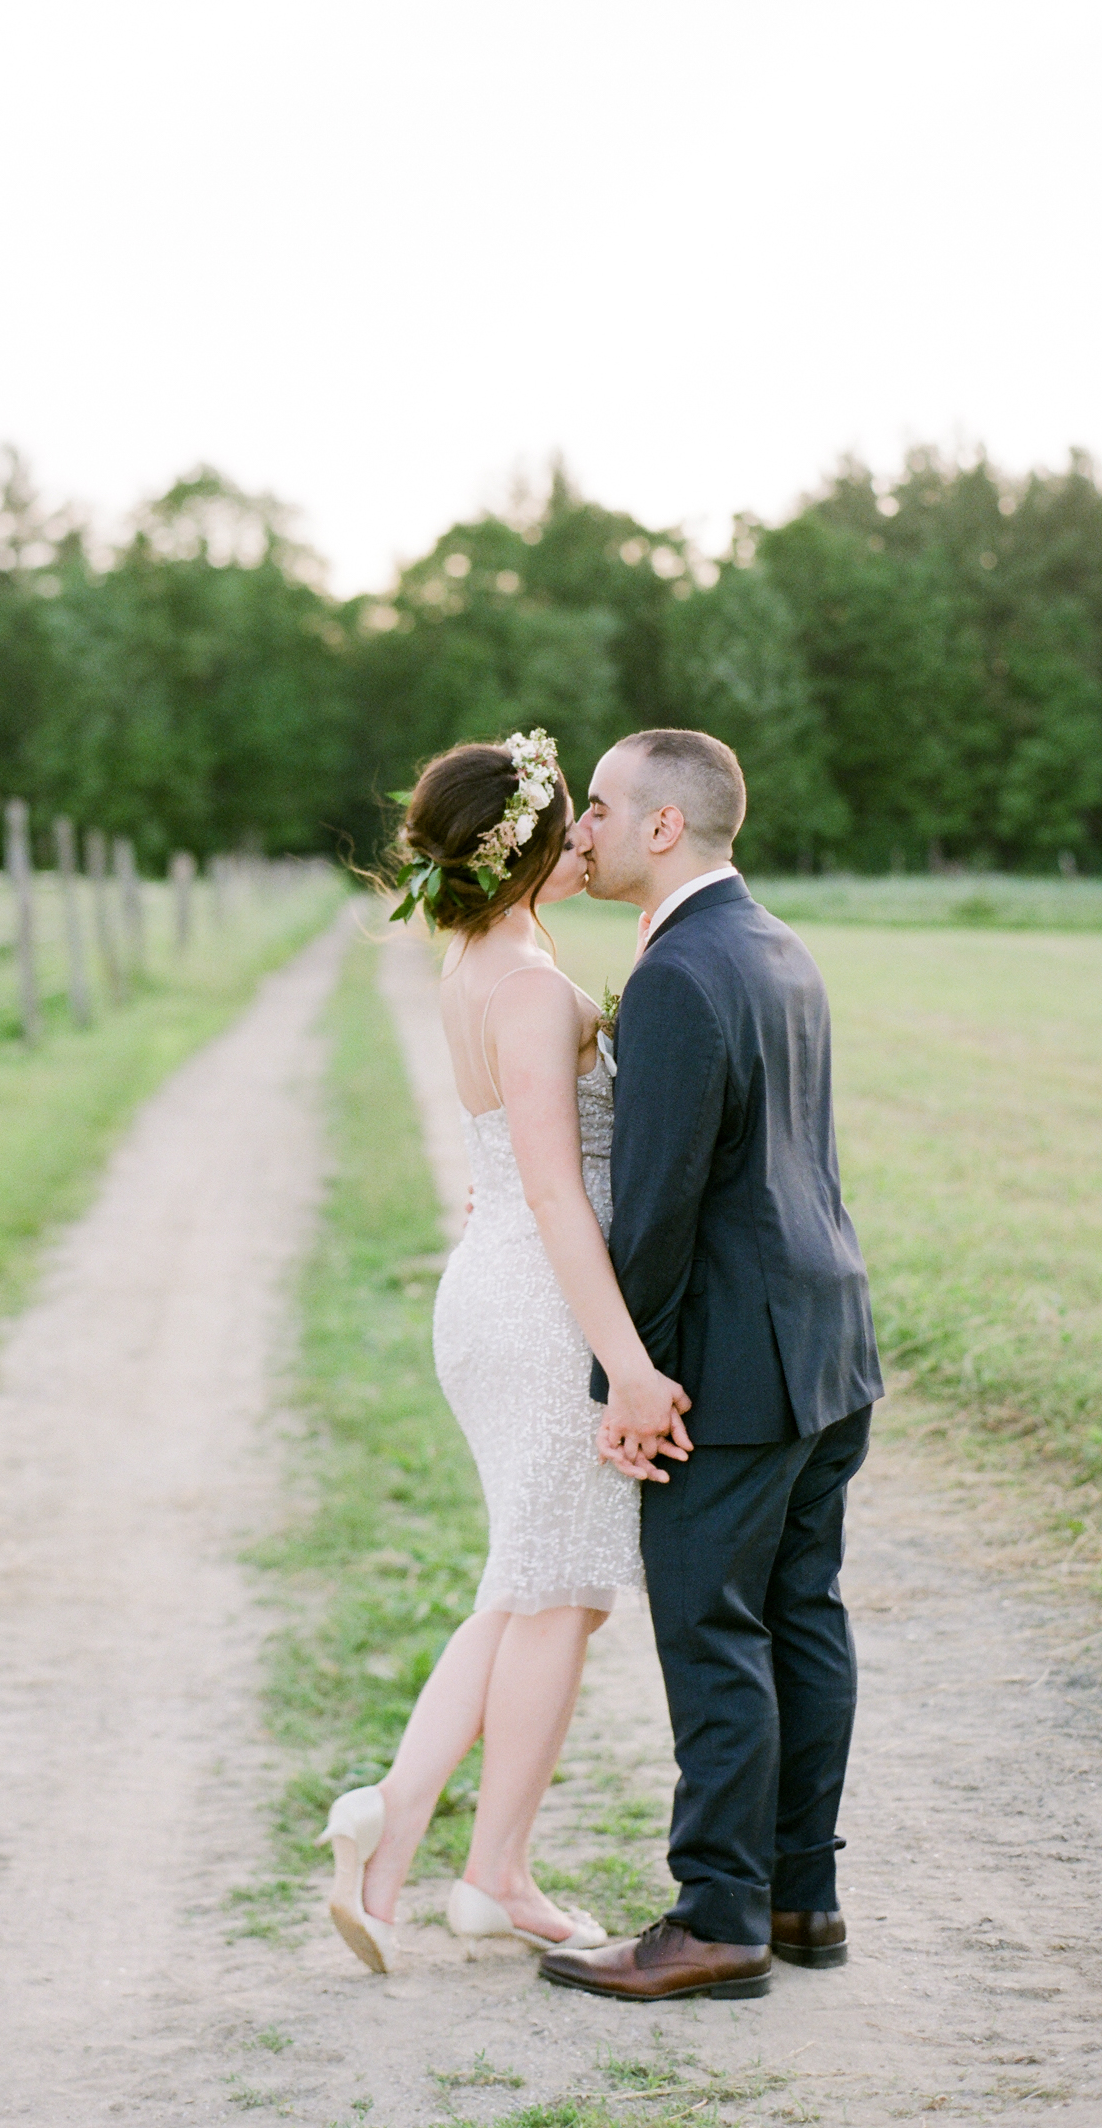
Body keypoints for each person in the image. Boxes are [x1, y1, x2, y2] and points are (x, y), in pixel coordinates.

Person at [319, 731, 692, 1975]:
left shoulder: (481, 959)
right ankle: (486, 1867)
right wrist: (626, 1364)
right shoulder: (531, 986)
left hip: (493, 1288)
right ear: (533, 846)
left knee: (534, 1580)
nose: (589, 831)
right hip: (538, 1302)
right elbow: (549, 1190)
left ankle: (414, 1835)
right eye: (570, 815)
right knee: (556, 1591)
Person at [537, 728, 883, 2003]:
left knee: (711, 1629)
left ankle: (718, 1916)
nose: (585, 828)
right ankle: (803, 1896)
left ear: (662, 827)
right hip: (826, 1339)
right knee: (802, 1614)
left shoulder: (681, 972)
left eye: (601, 808)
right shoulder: (778, 945)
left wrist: (628, 1381)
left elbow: (659, 1209)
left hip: (733, 1362)